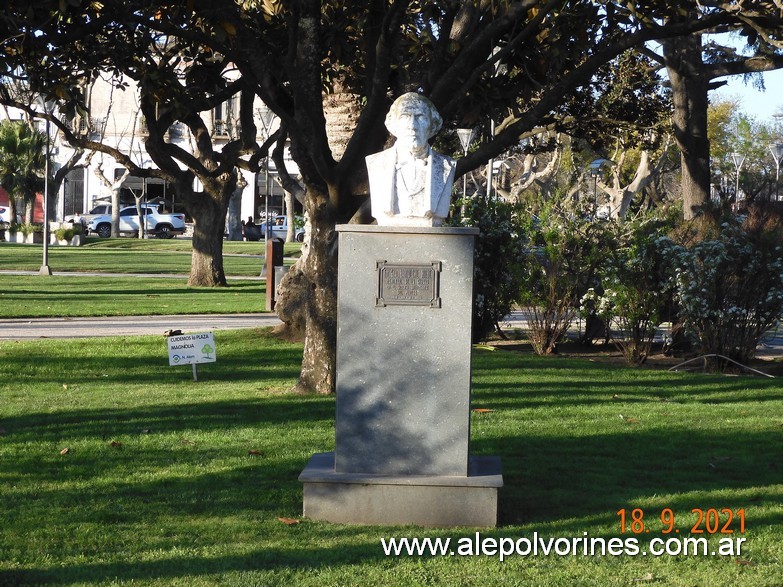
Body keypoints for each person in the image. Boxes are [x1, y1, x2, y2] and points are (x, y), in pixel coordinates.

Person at [365, 92, 457, 227]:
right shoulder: (376, 164)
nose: (413, 125)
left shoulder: (446, 166)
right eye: (405, 117)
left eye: (421, 117)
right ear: (393, 125)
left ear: (433, 125)